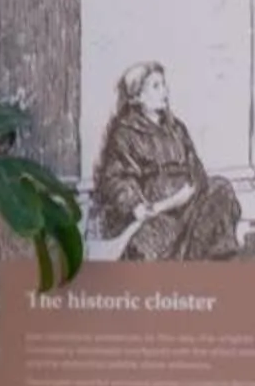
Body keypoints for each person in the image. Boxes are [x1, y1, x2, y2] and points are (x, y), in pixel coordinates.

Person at [89, 63, 243, 260]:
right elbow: (115, 178)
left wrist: (192, 186)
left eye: (164, 84)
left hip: (189, 204)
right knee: (149, 246)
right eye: (156, 86)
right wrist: (135, 204)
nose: (165, 91)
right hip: (157, 212)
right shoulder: (125, 133)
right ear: (137, 96)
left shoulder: (176, 129)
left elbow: (195, 166)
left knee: (221, 188)